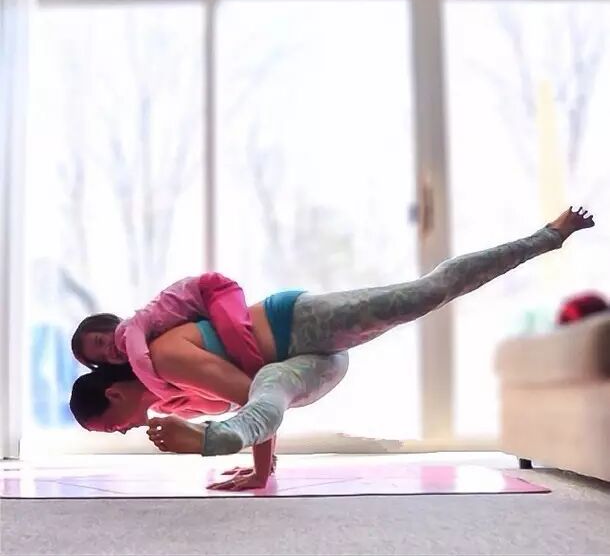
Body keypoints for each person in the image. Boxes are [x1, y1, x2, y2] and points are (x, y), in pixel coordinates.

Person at [70, 206, 595, 490]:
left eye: (111, 426)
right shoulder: (176, 399)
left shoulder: (163, 356)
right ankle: (227, 443)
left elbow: (247, 389)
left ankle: (547, 235)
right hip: (304, 369)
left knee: (425, 294)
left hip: (299, 324)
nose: (122, 432)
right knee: (270, 388)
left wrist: (248, 446)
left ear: (114, 395)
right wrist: (262, 469)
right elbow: (260, 396)